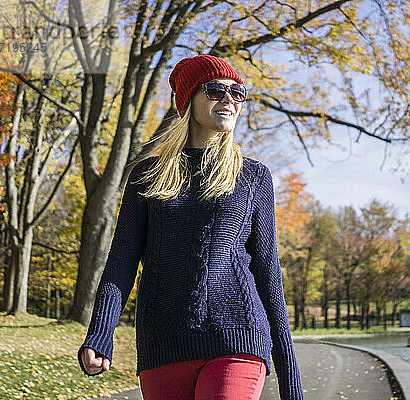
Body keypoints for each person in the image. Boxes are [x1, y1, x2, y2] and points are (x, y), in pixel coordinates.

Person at [77, 54, 304, 400]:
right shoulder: (147, 176)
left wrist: (291, 381)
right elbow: (121, 262)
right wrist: (100, 333)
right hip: (162, 343)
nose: (229, 99)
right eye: (216, 90)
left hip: (237, 338)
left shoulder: (254, 178)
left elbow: (267, 274)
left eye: (238, 92)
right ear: (188, 101)